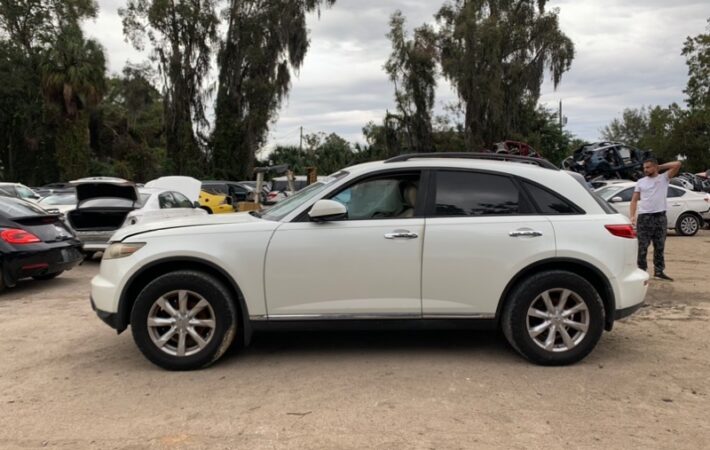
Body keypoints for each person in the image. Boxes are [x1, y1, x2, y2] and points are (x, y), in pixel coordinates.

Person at [630, 158, 682, 281]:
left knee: (659, 246)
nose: (645, 170)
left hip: (660, 216)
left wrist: (660, 167)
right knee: (642, 247)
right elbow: (634, 200)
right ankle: (642, 271)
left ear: (654, 167)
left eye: (648, 167)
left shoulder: (664, 178)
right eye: (644, 168)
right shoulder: (641, 182)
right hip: (644, 217)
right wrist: (632, 216)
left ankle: (659, 271)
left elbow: (677, 164)